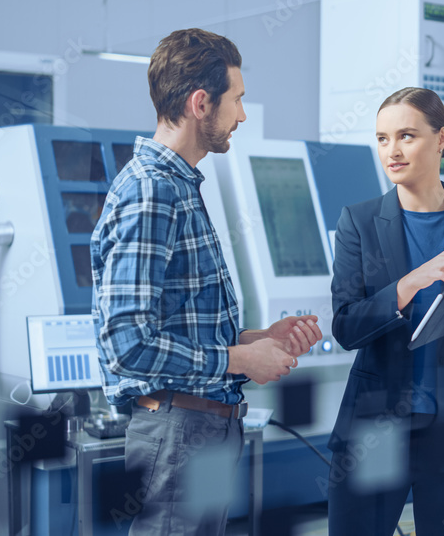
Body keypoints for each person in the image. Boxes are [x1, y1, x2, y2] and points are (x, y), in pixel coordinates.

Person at [90, 28, 322, 535]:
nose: (241, 114)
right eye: (236, 100)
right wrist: (241, 360)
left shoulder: (180, 186)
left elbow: (180, 326)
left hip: (205, 431)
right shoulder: (152, 192)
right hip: (177, 437)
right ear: (201, 103)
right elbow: (128, 345)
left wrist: (257, 340)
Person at [327, 87, 444, 535]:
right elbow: (346, 326)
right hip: (374, 429)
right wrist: (411, 282)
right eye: (382, 138)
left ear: (440, 139)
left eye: (406, 136)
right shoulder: (359, 221)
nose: (392, 150)